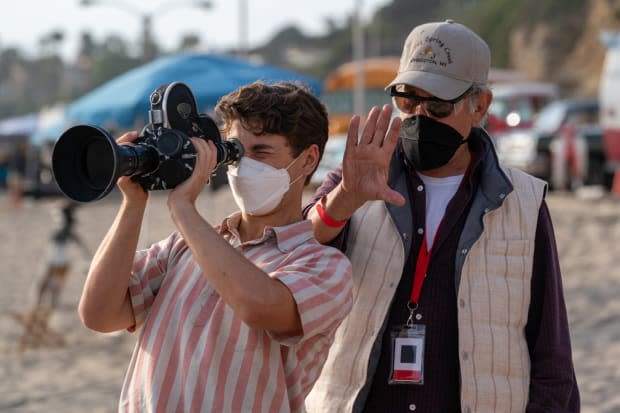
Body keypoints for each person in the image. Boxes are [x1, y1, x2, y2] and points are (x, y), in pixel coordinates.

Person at [304, 20, 579, 412]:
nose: (419, 116)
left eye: (437, 105)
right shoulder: (355, 179)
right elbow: (297, 253)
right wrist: (345, 199)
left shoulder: (524, 201)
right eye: (407, 101)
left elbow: (551, 351)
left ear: (479, 106)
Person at [78, 81, 353, 412]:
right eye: (235, 151)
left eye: (262, 152)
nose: (244, 165)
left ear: (309, 160)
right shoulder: (183, 245)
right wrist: (133, 203)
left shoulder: (325, 266)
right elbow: (98, 314)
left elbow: (259, 307)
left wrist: (183, 208)